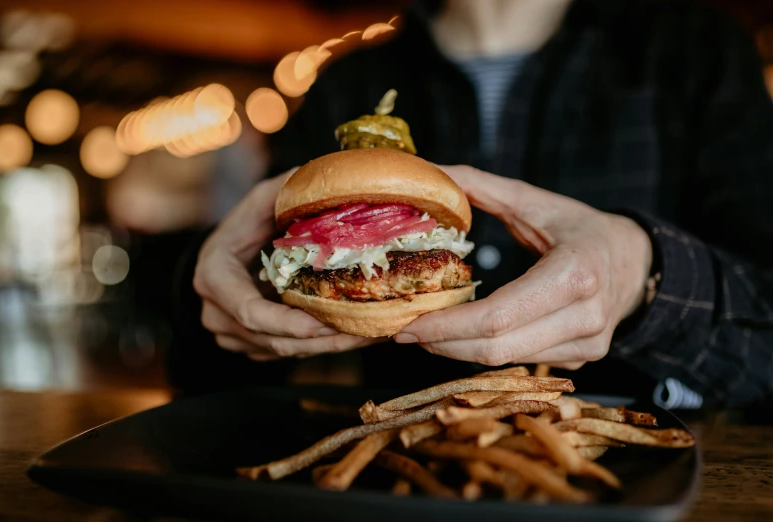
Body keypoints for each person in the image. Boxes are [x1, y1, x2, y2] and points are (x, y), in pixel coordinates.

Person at [171, 0, 773, 407]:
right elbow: (210, 375)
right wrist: (214, 292)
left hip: (644, 484)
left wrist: (647, 276)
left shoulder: (696, 55)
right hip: (395, 490)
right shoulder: (345, 85)